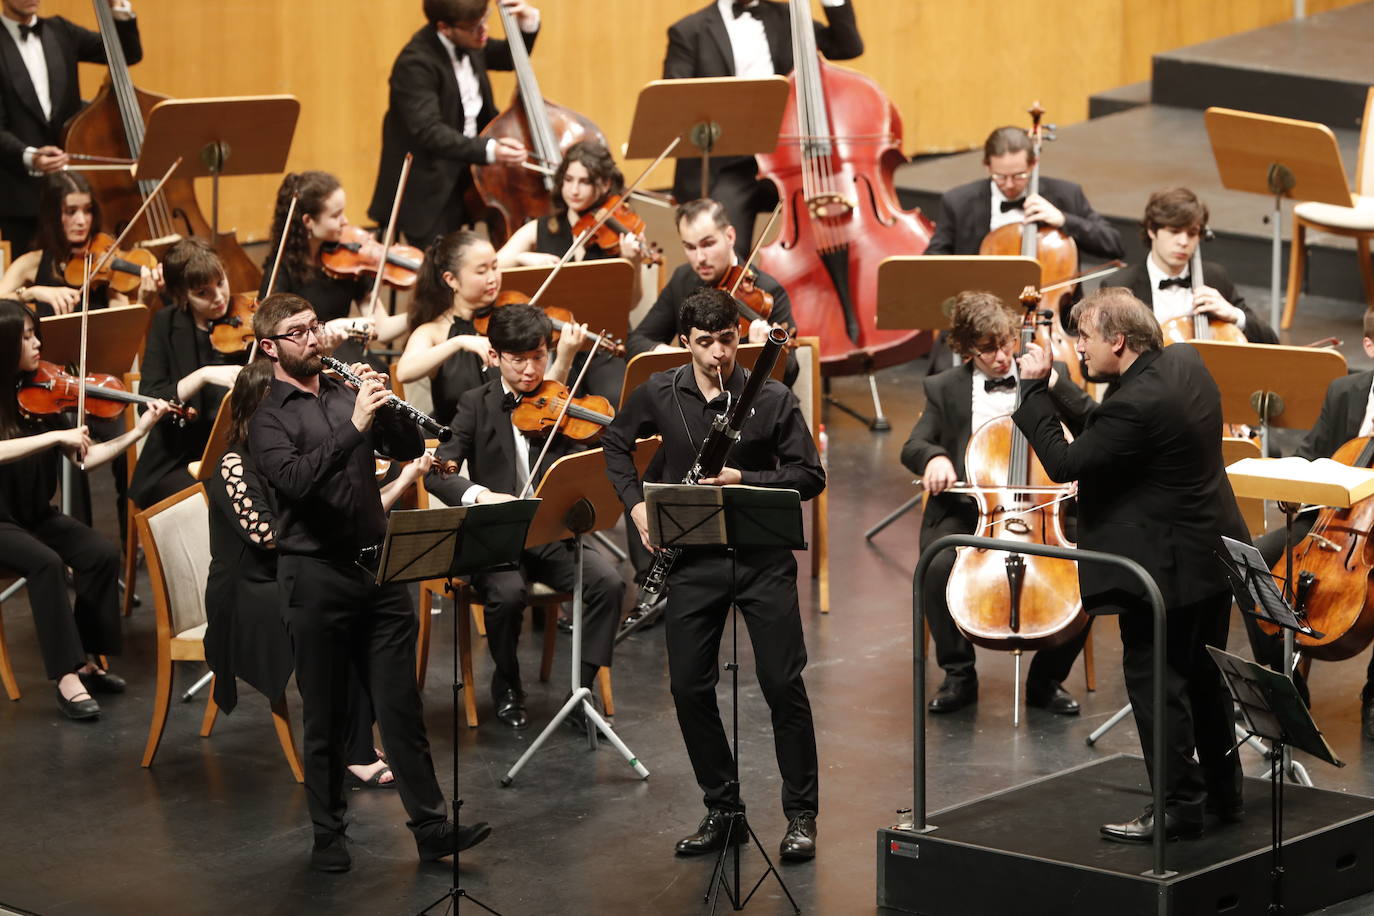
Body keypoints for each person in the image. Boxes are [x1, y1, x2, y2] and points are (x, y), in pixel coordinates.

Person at [249, 292, 486, 871]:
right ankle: (329, 836)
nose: (311, 339)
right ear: (269, 347)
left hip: (377, 568)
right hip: (315, 577)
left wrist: (383, 405)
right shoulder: (267, 418)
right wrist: (354, 426)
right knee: (326, 717)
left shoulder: (341, 391)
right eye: (297, 332)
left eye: (314, 328)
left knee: (401, 706)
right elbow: (298, 482)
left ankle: (431, 828)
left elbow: (406, 448)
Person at [1013, 287, 1246, 842]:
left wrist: (1031, 393)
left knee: (1157, 685)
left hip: (1164, 573)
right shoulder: (1184, 362)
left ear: (1117, 340)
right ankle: (1224, 792)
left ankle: (1178, 805)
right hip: (1213, 555)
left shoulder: (1136, 404)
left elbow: (1069, 459)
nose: (1079, 349)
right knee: (1206, 681)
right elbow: (1109, 426)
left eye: (1085, 339)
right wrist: (1058, 386)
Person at [602, 288, 825, 862]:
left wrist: (741, 479)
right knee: (688, 687)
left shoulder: (771, 397)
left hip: (760, 560)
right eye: (704, 343)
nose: (718, 354)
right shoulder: (659, 391)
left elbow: (809, 476)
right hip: (693, 561)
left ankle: (802, 815)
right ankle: (723, 808)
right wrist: (636, 507)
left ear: (737, 334)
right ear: (685, 342)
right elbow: (615, 443)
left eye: (726, 340)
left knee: (782, 684)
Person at [205, 357, 431, 787]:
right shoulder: (235, 464)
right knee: (330, 612)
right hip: (250, 587)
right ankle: (353, 748)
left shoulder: (300, 454)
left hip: (293, 568)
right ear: (258, 411)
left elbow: (336, 517)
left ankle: (355, 738)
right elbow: (269, 538)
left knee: (355, 602)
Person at [425, 303, 624, 730]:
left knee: (608, 582)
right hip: (495, 537)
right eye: (519, 361)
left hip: (549, 532)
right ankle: (508, 682)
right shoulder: (474, 404)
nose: (532, 371)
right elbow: (440, 474)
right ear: (495, 357)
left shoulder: (561, 402)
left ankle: (580, 693)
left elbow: (578, 469)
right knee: (508, 594)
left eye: (540, 357)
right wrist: (479, 496)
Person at [900, 290, 1094, 715]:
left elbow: (1095, 423)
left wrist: (1052, 385)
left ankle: (1047, 682)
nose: (1003, 357)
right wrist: (933, 458)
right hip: (973, 515)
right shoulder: (944, 387)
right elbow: (914, 444)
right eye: (988, 350)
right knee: (936, 567)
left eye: (1007, 343)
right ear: (965, 350)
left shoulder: (1047, 370)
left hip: (1047, 511)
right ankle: (959, 675)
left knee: (1094, 571)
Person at [0, 298, 168, 719]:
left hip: (34, 514)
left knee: (99, 552)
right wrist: (55, 439)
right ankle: (66, 677)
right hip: (0, 523)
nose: (37, 343)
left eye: (35, 332)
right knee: (46, 563)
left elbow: (86, 458)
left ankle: (88, 659)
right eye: (25, 337)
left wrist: (139, 430)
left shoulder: (41, 391)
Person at [1243, 309, 1374, 732]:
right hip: (1328, 524)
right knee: (1253, 561)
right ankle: (1285, 684)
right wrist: (1293, 479)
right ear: (1369, 346)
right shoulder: (1344, 392)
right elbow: (1309, 452)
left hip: (1368, 539)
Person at [662, 0, 862, 257]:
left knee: (834, 230)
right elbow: (675, 104)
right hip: (728, 166)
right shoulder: (689, 31)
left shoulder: (789, 16)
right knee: (725, 251)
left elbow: (847, 46)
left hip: (792, 160)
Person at [368, 0, 539, 249]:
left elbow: (507, 58)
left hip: (469, 172)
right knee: (446, 263)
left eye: (485, 19)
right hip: (430, 184)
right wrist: (489, 149)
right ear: (445, 28)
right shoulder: (415, 64)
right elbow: (430, 132)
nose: (484, 31)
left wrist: (528, 23)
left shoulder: (469, 40)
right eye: (474, 26)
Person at [495, 139, 645, 401]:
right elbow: (493, 265)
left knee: (615, 398)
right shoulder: (541, 228)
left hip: (603, 344)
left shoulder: (620, 235)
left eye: (585, 182)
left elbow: (631, 304)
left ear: (605, 185)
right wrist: (523, 257)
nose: (574, 190)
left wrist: (633, 262)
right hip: (549, 344)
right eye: (568, 180)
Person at [397, 229, 586, 425]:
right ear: (451, 279)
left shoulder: (510, 320)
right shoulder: (432, 332)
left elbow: (541, 401)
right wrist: (458, 342)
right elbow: (404, 372)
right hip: (460, 447)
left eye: (495, 267)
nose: (492, 278)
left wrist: (565, 358)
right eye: (481, 271)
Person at [0, 0, 141, 254]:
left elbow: (127, 54)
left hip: (74, 194)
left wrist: (119, 10)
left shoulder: (61, 31)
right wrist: (30, 156)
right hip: (21, 197)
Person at [628, 198, 797, 387]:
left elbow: (790, 371)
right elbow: (637, 341)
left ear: (730, 236)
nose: (700, 258)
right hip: (693, 400)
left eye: (707, 244)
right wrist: (673, 355)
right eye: (690, 247)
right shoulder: (682, 279)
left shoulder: (769, 291)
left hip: (748, 404)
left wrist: (761, 352)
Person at [128, 239, 243, 511]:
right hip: (177, 459)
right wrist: (202, 375)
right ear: (182, 295)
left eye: (220, 282)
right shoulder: (166, 324)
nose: (218, 297)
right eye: (203, 292)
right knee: (223, 494)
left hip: (235, 451)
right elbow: (149, 399)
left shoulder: (244, 318)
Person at [261, 171, 410, 366]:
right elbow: (278, 341)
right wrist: (331, 328)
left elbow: (381, 329)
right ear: (308, 221)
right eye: (335, 215)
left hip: (349, 356)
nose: (345, 221)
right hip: (308, 365)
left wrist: (420, 312)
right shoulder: (281, 271)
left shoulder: (350, 260)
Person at [926, 125, 1123, 261]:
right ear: (987, 167)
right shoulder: (958, 202)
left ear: (1033, 164)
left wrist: (1064, 220)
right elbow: (933, 260)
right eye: (1000, 176)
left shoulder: (1066, 194)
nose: (1010, 184)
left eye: (1019, 175)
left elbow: (1114, 244)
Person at [1110, 187, 1277, 345]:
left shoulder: (1214, 277)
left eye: (1192, 233)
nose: (1183, 242)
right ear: (1152, 230)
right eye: (1174, 232)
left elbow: (1270, 342)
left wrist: (1234, 315)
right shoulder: (1121, 286)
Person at [0, 170, 157, 315]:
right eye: (71, 211)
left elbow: (124, 332)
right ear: (53, 215)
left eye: (87, 210)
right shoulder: (33, 262)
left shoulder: (105, 264)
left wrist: (145, 301)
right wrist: (33, 292)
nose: (82, 221)